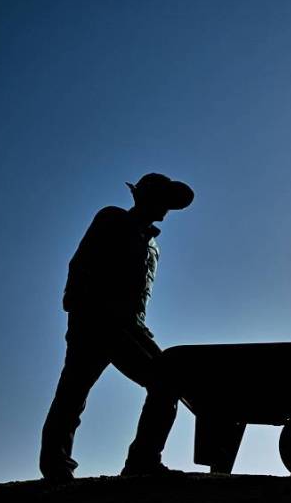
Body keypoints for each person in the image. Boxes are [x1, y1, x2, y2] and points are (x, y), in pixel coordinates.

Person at [39, 172, 194, 481]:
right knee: (73, 392)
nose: (166, 208)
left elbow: (139, 294)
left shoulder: (153, 248)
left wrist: (139, 328)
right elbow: (80, 264)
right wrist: (76, 306)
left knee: (168, 380)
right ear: (145, 197)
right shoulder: (112, 219)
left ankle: (143, 460)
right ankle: (56, 466)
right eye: (162, 198)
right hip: (95, 322)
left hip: (130, 328)